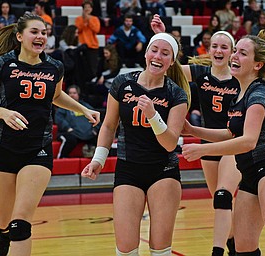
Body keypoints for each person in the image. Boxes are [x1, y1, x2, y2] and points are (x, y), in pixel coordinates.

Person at [151, 14, 265, 256]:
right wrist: (193, 131)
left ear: (257, 65)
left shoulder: (257, 95)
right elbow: (230, 132)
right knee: (242, 245)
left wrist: (202, 148)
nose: (233, 55)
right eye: (236, 51)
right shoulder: (237, 95)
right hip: (248, 170)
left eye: (241, 52)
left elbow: (247, 140)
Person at [0, 12, 100, 256]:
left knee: (20, 223)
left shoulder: (54, 66)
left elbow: (56, 96)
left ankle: (12, 233)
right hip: (3, 148)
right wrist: (3, 113)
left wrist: (83, 109)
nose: (40, 37)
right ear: (19, 36)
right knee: (4, 223)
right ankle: (2, 234)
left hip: (38, 149)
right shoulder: (3, 64)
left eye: (44, 33)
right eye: (34, 32)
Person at [81, 32, 191, 256]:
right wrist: (98, 160)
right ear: (146, 53)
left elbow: (170, 143)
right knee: (125, 249)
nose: (158, 56)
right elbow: (109, 125)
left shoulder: (176, 95)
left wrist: (153, 115)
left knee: (160, 249)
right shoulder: (123, 83)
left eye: (165, 53)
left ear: (171, 61)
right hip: (128, 169)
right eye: (154, 50)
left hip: (164, 171)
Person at [55, 85, 100, 158]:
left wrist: (95, 129)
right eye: (70, 93)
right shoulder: (63, 107)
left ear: (78, 94)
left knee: (101, 139)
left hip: (87, 133)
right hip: (71, 133)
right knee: (70, 140)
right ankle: (62, 157)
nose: (72, 95)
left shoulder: (85, 106)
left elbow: (95, 116)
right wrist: (68, 128)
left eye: (74, 93)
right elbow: (59, 119)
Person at [87, 44, 122, 108]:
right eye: (104, 53)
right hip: (102, 79)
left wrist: (104, 78)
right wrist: (101, 77)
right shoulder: (102, 59)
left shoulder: (118, 60)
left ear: (111, 53)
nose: (105, 55)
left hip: (111, 79)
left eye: (106, 53)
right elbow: (98, 72)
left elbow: (115, 73)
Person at [75, 0, 101, 83]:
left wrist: (89, 20)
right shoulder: (78, 19)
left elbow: (96, 30)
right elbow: (78, 29)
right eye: (85, 7)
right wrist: (84, 20)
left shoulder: (95, 18)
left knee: (93, 67)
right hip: (82, 45)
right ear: (83, 9)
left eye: (89, 7)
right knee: (83, 67)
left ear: (92, 9)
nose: (87, 9)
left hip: (93, 46)